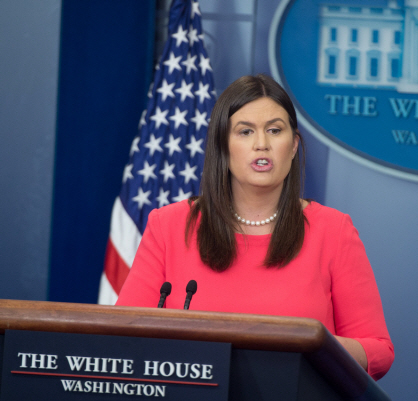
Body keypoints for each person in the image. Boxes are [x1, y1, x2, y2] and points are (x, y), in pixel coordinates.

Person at [116, 74, 394, 380]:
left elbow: (378, 351)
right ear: (223, 145)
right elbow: (125, 335)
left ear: (293, 146)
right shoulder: (169, 226)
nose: (262, 144)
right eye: (245, 132)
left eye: (275, 131)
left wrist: (312, 346)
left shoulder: (332, 230)